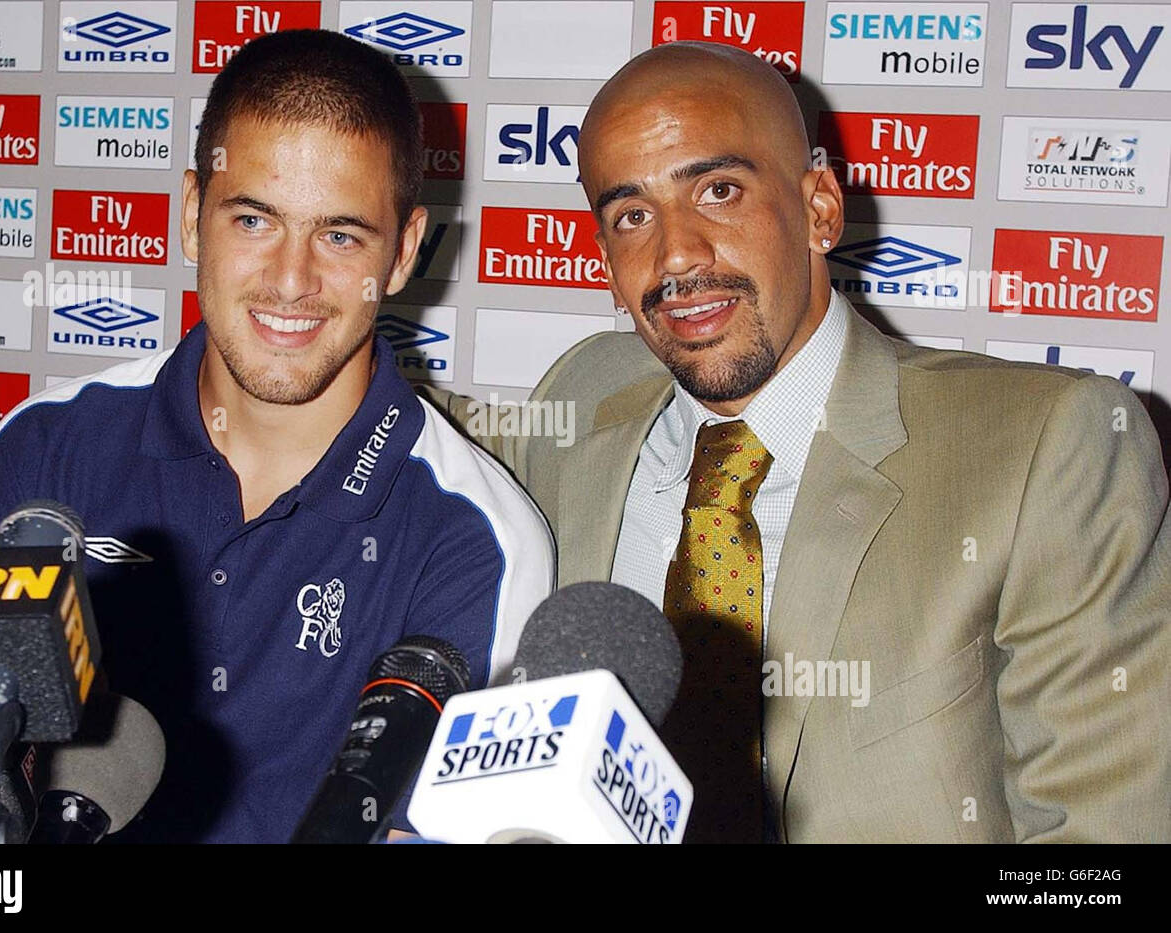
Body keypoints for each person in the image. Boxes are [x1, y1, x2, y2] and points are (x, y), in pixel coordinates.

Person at [422, 42, 1171, 843]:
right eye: (632, 215)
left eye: (718, 190)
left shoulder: (1040, 446)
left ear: (820, 208)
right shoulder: (583, 394)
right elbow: (403, 415)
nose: (676, 254)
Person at [0, 29, 554, 842]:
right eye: (254, 219)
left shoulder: (478, 538)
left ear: (406, 249)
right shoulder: (49, 445)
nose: (290, 279)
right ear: (190, 215)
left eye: (340, 235)